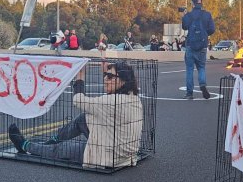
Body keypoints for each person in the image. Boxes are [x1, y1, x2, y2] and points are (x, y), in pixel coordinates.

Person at [8, 61, 143, 168]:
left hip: (107, 156)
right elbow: (108, 100)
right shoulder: (132, 97)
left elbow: (78, 100)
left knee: (60, 150)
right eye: (105, 76)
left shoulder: (111, 102)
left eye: (110, 76)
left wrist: (80, 77)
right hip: (123, 153)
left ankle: (25, 145)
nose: (105, 79)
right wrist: (108, 72)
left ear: (124, 81)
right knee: (83, 119)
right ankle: (50, 141)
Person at [181, 0, 215, 99]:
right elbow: (212, 29)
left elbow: (184, 27)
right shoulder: (207, 15)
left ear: (192, 3)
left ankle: (189, 93)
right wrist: (204, 34)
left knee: (190, 69)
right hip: (202, 45)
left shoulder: (189, 15)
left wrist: (184, 15)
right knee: (201, 68)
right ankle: (203, 85)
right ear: (201, 3)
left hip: (191, 45)